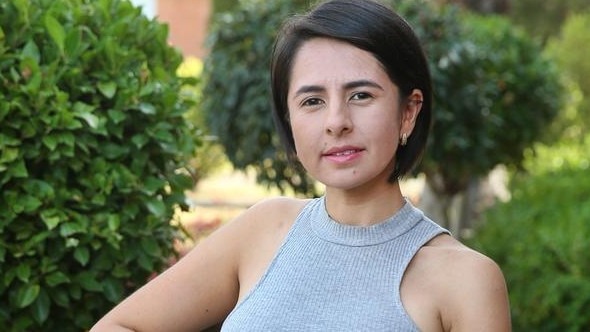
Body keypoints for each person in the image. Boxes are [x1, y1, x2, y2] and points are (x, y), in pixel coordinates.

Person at [91, 0, 511, 331]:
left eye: (361, 95)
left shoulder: (465, 280)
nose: (336, 122)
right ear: (290, 121)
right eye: (312, 101)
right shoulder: (264, 229)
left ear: (408, 112)